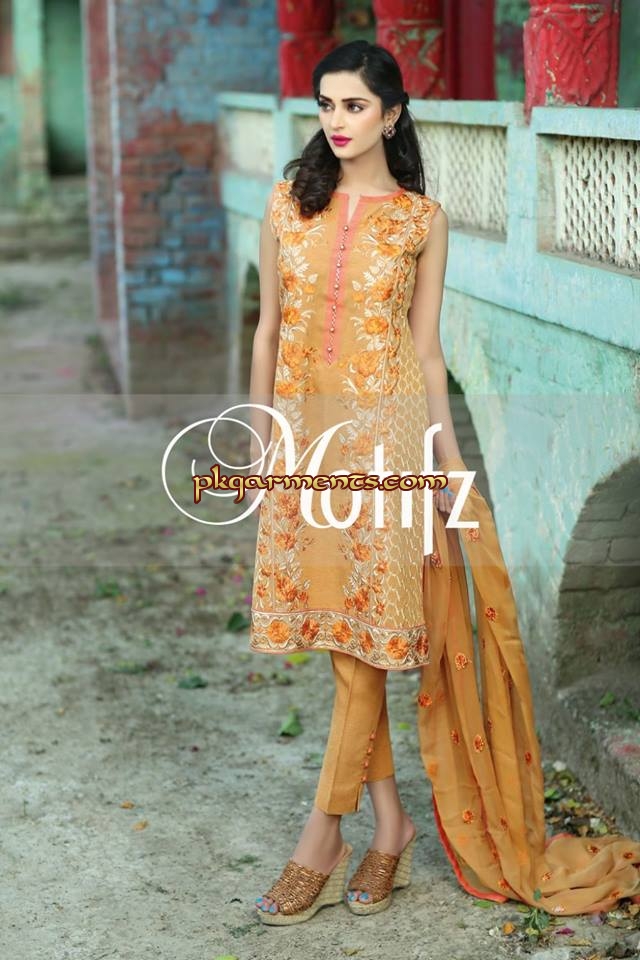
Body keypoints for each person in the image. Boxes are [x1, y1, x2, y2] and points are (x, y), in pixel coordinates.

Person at [246, 39, 640, 926]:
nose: (337, 121)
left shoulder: (421, 221)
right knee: (344, 640)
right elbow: (269, 330)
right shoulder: (288, 202)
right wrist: (261, 438)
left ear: (392, 115)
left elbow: (426, 355)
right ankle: (390, 826)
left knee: (368, 644)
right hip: (303, 448)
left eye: (355, 105)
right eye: (326, 105)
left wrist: (451, 472)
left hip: (387, 452)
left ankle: (322, 836)